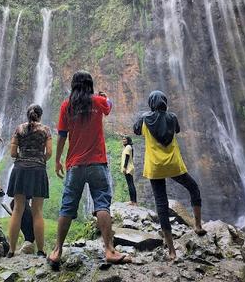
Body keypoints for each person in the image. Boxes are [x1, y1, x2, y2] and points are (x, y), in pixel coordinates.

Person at [48, 71, 130, 270]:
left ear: (74, 86)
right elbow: (109, 106)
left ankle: (57, 251)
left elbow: (61, 136)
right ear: (90, 85)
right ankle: (110, 250)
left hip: (75, 165)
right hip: (97, 163)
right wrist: (105, 97)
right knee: (102, 203)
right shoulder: (97, 101)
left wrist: (58, 160)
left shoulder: (66, 105)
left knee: (67, 206)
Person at [133, 90, 206, 260]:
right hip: (173, 165)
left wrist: (145, 115)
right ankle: (198, 225)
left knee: (161, 203)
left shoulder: (144, 120)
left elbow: (136, 130)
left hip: (155, 167)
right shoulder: (172, 118)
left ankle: (172, 251)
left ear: (151, 103)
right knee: (193, 187)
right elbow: (177, 130)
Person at [7, 104, 52, 258]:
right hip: (38, 170)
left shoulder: (19, 129)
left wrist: (23, 157)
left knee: (17, 209)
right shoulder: (46, 130)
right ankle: (40, 250)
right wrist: (39, 159)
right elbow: (49, 153)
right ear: (40, 115)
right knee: (37, 211)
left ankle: (11, 250)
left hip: (20, 170)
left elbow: (13, 153)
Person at [121, 135, 137, 205]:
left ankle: (133, 201)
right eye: (123, 139)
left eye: (125, 139)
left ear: (128, 140)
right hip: (130, 167)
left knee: (130, 184)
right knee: (131, 184)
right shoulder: (130, 147)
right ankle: (134, 201)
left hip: (128, 168)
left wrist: (124, 167)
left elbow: (127, 157)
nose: (123, 141)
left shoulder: (128, 147)